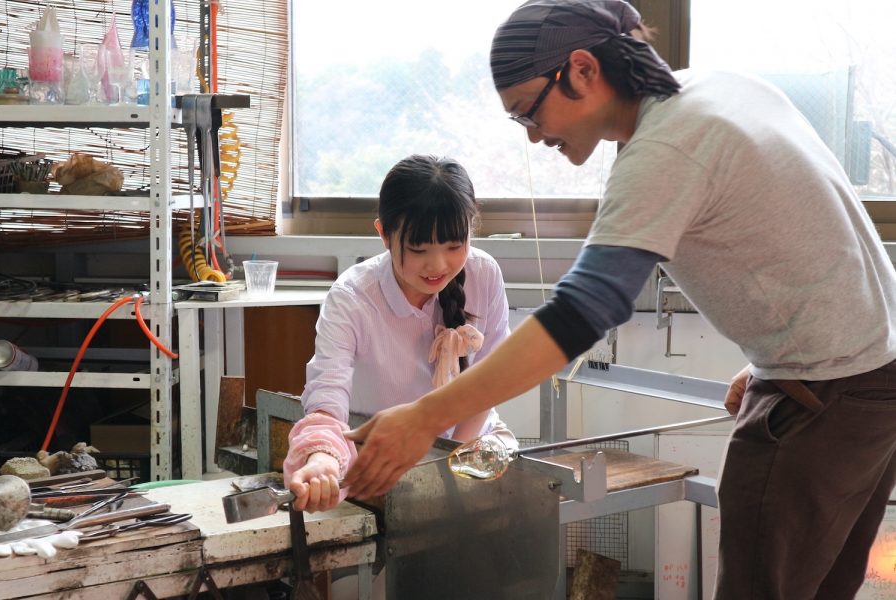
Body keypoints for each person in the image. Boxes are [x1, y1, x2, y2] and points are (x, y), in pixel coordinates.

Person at [343, 1, 896, 598]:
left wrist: (425, 417)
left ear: (582, 70)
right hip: (872, 373)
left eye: (530, 110)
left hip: (829, 396)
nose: (533, 134)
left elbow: (581, 312)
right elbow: (813, 230)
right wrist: (779, 350)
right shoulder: (718, 89)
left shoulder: (664, 149)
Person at [283, 154, 516, 514]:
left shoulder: (484, 274)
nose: (438, 266)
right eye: (419, 250)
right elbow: (327, 396)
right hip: (383, 459)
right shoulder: (353, 297)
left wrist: (450, 466)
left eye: (454, 246)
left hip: (471, 448)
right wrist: (322, 459)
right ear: (384, 235)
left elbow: (492, 379)